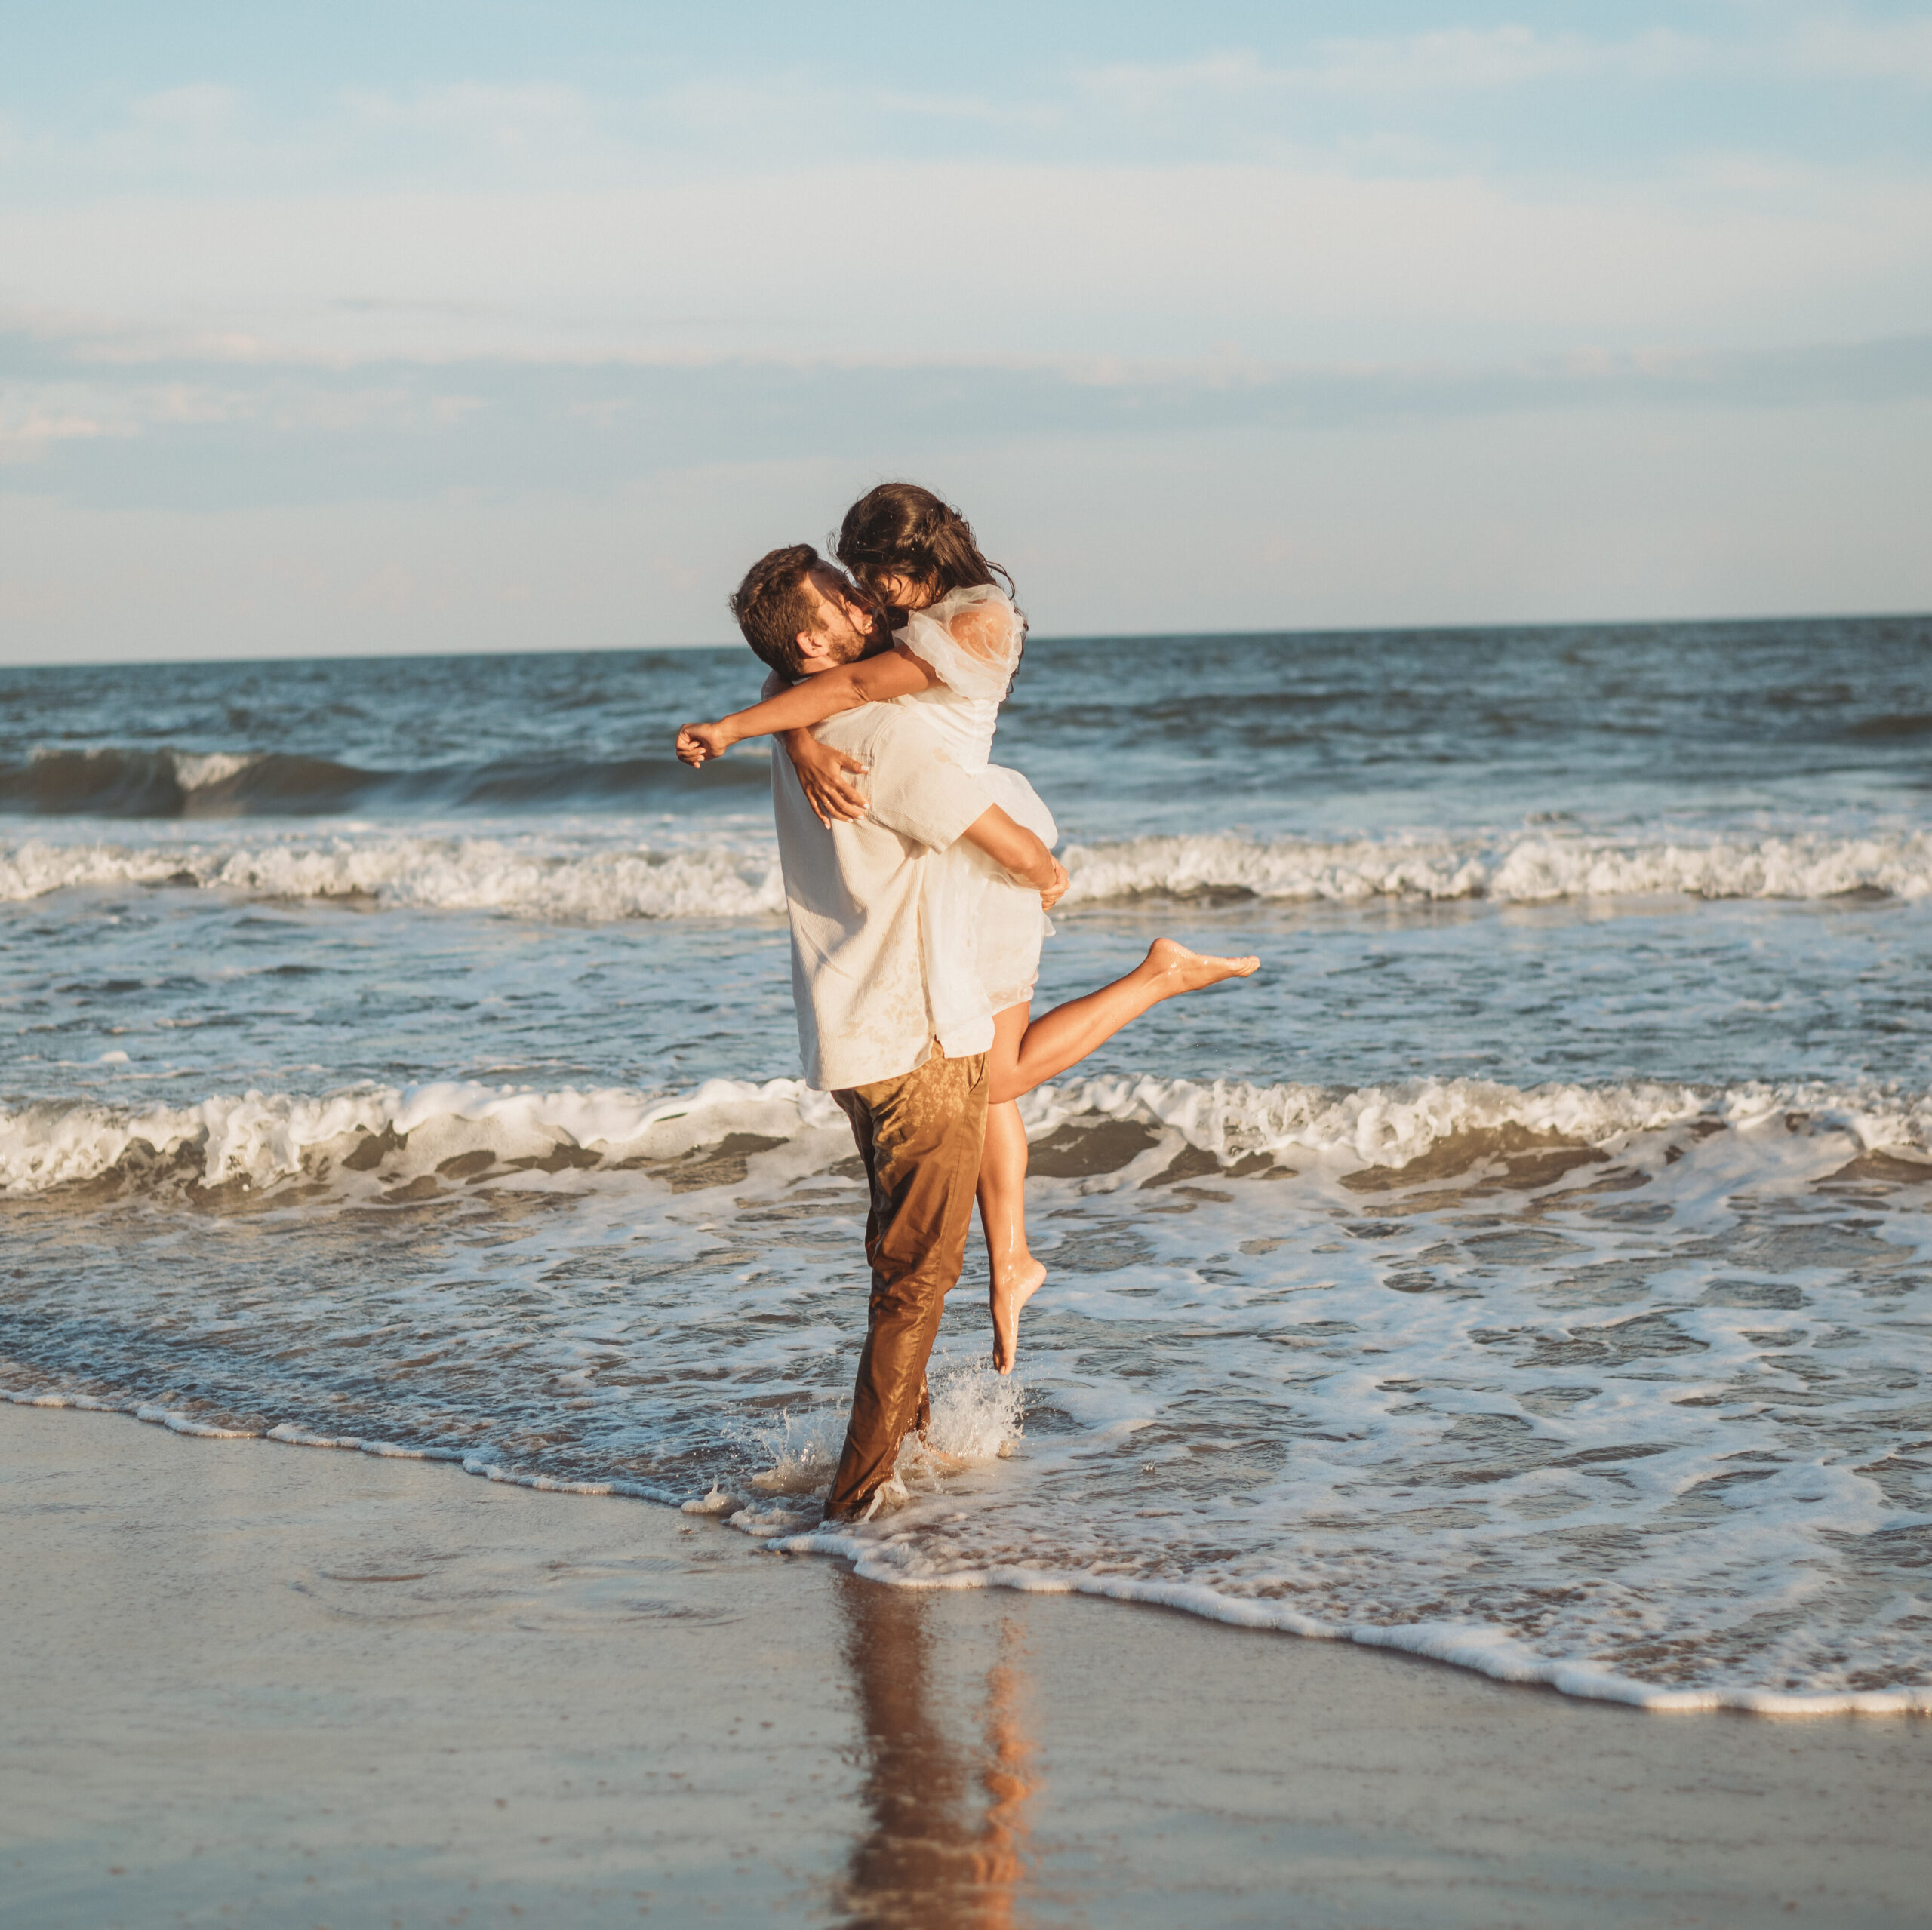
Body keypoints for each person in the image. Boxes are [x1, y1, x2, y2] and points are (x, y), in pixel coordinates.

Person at [679, 488, 1258, 1378]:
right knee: (990, 1084)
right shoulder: (911, 620)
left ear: (919, 565)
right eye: (853, 586)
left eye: (873, 580)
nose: (867, 597)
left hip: (980, 857)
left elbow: (850, 684)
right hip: (952, 855)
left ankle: (1157, 977)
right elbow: (803, 680)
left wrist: (744, 731)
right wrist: (792, 739)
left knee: (995, 1071)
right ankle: (1014, 1260)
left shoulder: (976, 622)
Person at [716, 542, 1064, 1522]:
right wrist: (1048, 876)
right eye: (839, 596)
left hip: (852, 1036)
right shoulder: (878, 734)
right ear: (816, 640)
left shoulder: (815, 732)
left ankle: (898, 1449)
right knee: (917, 1276)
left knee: (898, 1262)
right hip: (918, 1036)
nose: (863, 601)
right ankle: (859, 1499)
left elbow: (790, 692)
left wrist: (785, 730)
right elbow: (999, 833)